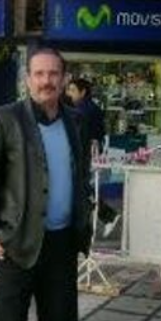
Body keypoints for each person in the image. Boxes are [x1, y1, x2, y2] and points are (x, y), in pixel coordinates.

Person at [0, 47, 93, 321]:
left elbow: (81, 176)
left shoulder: (76, 121)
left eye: (53, 74)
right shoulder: (6, 119)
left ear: (64, 79)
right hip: (17, 244)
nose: (46, 81)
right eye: (39, 74)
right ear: (27, 80)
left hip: (62, 244)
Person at [66, 77, 120, 238]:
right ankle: (106, 216)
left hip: (85, 155)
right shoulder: (88, 107)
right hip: (87, 154)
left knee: (80, 189)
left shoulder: (83, 110)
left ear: (82, 92)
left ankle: (106, 216)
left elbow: (82, 135)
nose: (69, 93)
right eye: (68, 90)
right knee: (80, 189)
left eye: (72, 90)